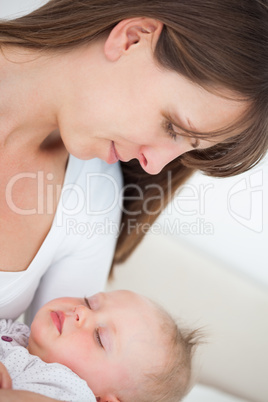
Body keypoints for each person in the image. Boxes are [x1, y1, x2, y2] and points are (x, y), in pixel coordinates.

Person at [0, 1, 267, 399]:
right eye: (173, 127)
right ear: (132, 38)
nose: (154, 165)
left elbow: (85, 377)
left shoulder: (93, 197)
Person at [0, 290, 198, 402]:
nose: (80, 311)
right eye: (90, 302)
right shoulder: (16, 333)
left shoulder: (71, 392)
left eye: (99, 337)